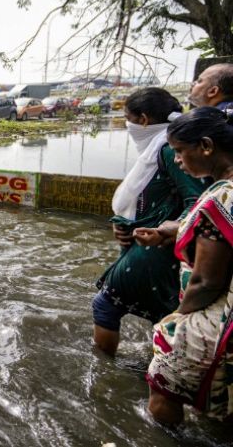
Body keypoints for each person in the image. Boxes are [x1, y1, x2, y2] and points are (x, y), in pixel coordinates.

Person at [134, 107, 233, 424]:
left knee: (162, 387)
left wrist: (179, 318)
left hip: (216, 316)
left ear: (206, 146)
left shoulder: (223, 196)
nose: (176, 160)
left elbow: (207, 281)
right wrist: (170, 230)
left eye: (179, 151)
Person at [93, 88, 207, 357]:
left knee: (106, 304)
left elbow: (199, 201)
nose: (127, 124)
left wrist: (163, 230)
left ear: (143, 119)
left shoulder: (169, 149)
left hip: (158, 248)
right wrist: (123, 222)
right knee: (163, 313)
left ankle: (105, 369)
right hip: (145, 244)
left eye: (128, 118)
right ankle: (158, 365)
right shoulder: (159, 145)